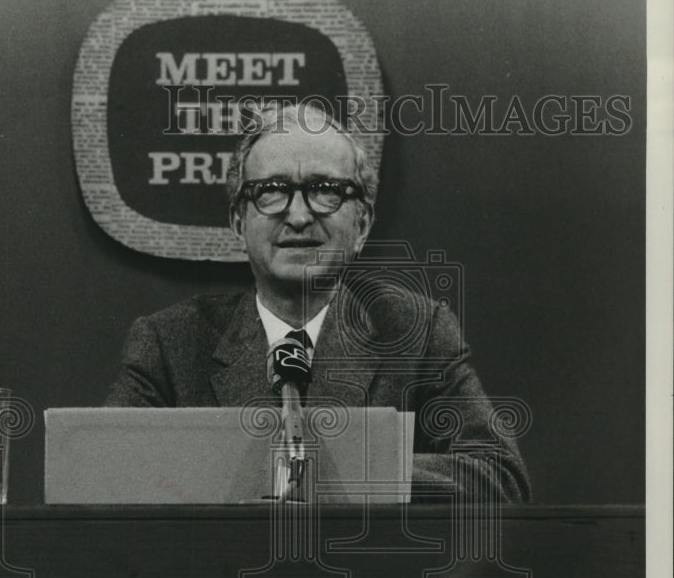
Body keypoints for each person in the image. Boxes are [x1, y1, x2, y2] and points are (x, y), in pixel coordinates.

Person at [106, 102, 530, 503]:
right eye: (272, 190)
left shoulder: (415, 332)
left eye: (325, 190)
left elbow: (498, 476)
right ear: (238, 221)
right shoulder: (170, 343)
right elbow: (104, 473)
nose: (298, 215)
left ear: (361, 224)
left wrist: (329, 471)